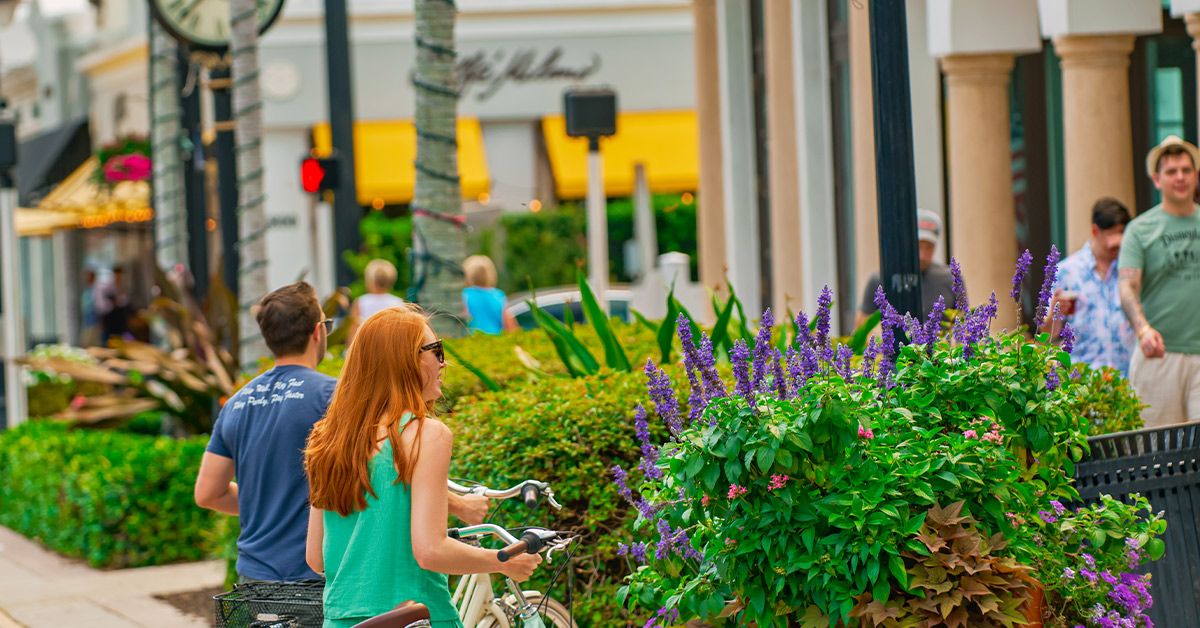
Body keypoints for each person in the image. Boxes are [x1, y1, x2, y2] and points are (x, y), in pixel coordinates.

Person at [194, 282, 486, 584]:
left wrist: (269, 504)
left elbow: (208, 493)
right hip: (322, 576)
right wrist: (461, 505)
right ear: (318, 331)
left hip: (253, 581)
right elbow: (393, 467)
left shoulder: (238, 401)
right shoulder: (337, 397)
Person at [305, 306, 540, 627]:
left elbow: (316, 557)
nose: (444, 362)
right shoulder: (426, 435)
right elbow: (430, 551)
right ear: (405, 360)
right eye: (436, 350)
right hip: (416, 618)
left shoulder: (328, 439)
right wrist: (501, 561)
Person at [1118, 135, 1200, 427]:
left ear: (1196, 175)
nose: (1180, 177)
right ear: (1156, 179)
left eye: (1186, 170)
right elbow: (1128, 286)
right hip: (1159, 356)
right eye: (1171, 171)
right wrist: (1143, 330)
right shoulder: (1140, 230)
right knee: (1159, 457)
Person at [1047, 198, 1134, 376]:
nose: (1119, 241)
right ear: (1096, 231)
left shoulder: (1131, 270)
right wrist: (1054, 312)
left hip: (1128, 382)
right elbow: (1049, 334)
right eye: (1114, 234)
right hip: (1084, 384)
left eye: (1124, 233)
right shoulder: (1067, 271)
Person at [856, 209, 958, 327]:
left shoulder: (949, 279)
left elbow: (963, 325)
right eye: (918, 246)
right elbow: (861, 327)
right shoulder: (879, 279)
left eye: (929, 247)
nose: (922, 255)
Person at [347, 259, 406, 345]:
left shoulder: (361, 302)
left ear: (370, 280)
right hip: (391, 348)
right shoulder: (398, 302)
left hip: (367, 347)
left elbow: (353, 332)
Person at [461, 255, 516, 335]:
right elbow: (511, 327)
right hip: (496, 342)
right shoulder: (499, 295)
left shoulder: (464, 295)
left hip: (472, 341)